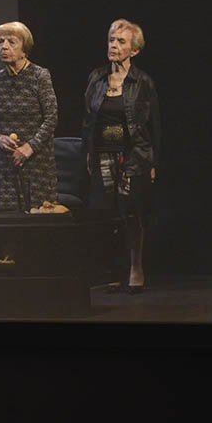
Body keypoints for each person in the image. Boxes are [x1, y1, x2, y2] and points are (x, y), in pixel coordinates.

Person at [82, 18, 160, 293]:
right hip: (103, 153)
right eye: (111, 40)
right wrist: (88, 152)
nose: (113, 45)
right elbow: (88, 119)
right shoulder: (96, 78)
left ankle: (135, 267)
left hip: (133, 155)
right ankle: (113, 269)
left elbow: (154, 125)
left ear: (134, 50)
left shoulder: (142, 82)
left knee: (131, 213)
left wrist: (153, 161)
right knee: (107, 214)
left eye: (121, 41)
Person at [0, 21, 58, 212]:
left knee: (39, 217)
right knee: (8, 221)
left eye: (11, 42)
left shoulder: (39, 76)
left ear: (24, 49)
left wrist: (29, 147)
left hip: (36, 162)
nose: (4, 46)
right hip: (5, 164)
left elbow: (51, 117)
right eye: (0, 42)